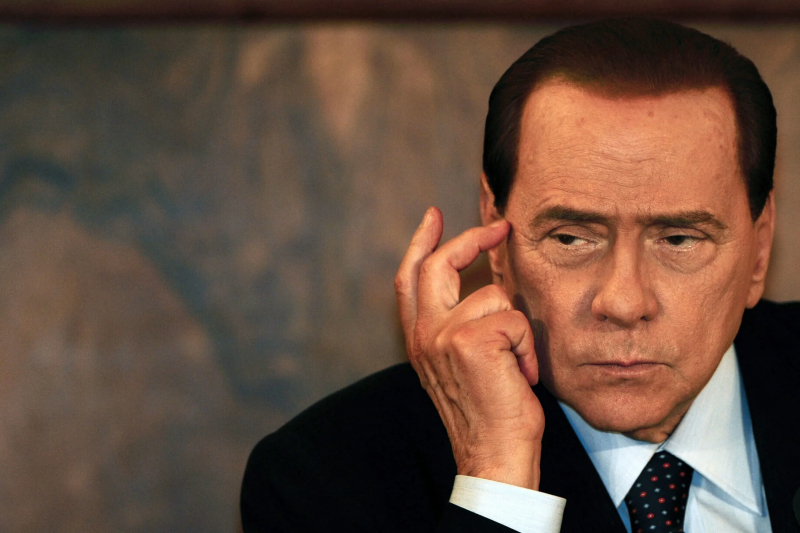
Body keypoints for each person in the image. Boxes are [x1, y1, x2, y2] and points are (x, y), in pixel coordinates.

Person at [240, 18, 800, 533]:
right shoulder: (325, 480)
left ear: (759, 247)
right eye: (571, 238)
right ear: (497, 236)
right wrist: (496, 483)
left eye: (678, 240)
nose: (624, 302)